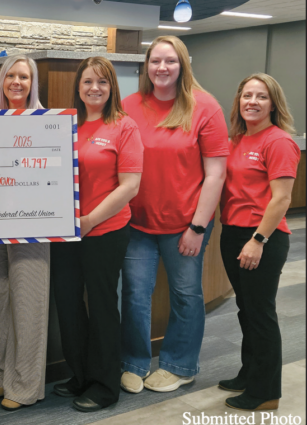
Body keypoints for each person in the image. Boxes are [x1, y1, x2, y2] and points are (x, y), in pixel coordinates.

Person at [120, 35, 229, 393]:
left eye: (170, 61)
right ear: (146, 66)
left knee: (185, 294)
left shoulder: (205, 107)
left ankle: (180, 365)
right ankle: (133, 362)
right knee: (134, 294)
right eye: (155, 61)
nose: (162, 67)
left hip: (186, 223)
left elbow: (216, 174)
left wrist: (197, 227)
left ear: (183, 65)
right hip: (137, 222)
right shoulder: (129, 105)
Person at [51, 57, 143, 412]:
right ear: (78, 86)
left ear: (112, 88)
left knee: (103, 306)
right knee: (69, 305)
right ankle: (81, 375)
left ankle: (105, 385)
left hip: (105, 230)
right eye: (88, 81)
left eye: (102, 82)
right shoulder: (65, 124)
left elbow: (130, 186)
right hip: (66, 233)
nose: (94, 88)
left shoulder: (124, 126)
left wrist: (89, 220)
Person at [218, 73, 299, 411]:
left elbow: (282, 199)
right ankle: (249, 372)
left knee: (261, 313)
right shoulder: (236, 139)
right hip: (233, 232)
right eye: (247, 95)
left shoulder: (278, 141)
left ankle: (266, 392)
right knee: (246, 309)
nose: (252, 101)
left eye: (261, 96)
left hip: (262, 236)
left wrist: (258, 239)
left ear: (273, 104)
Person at [0, 55, 50, 412]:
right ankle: (1, 375)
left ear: (32, 83)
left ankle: (24, 386)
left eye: (24, 76)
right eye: (11, 76)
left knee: (28, 300)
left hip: (32, 225)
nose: (17, 82)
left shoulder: (47, 123)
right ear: (2, 82)